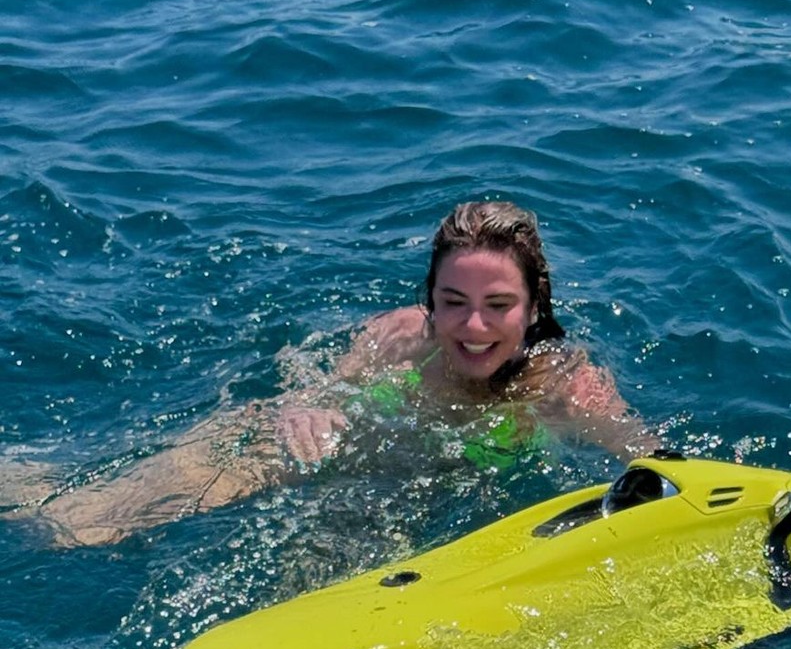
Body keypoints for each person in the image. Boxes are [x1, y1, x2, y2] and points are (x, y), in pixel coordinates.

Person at [3, 201, 660, 547]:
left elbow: (654, 462)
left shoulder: (566, 385)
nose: (473, 328)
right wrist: (305, 407)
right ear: (430, 298)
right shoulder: (402, 334)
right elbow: (315, 389)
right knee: (75, 526)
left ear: (535, 306)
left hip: (397, 501)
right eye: (453, 303)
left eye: (498, 306)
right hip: (304, 453)